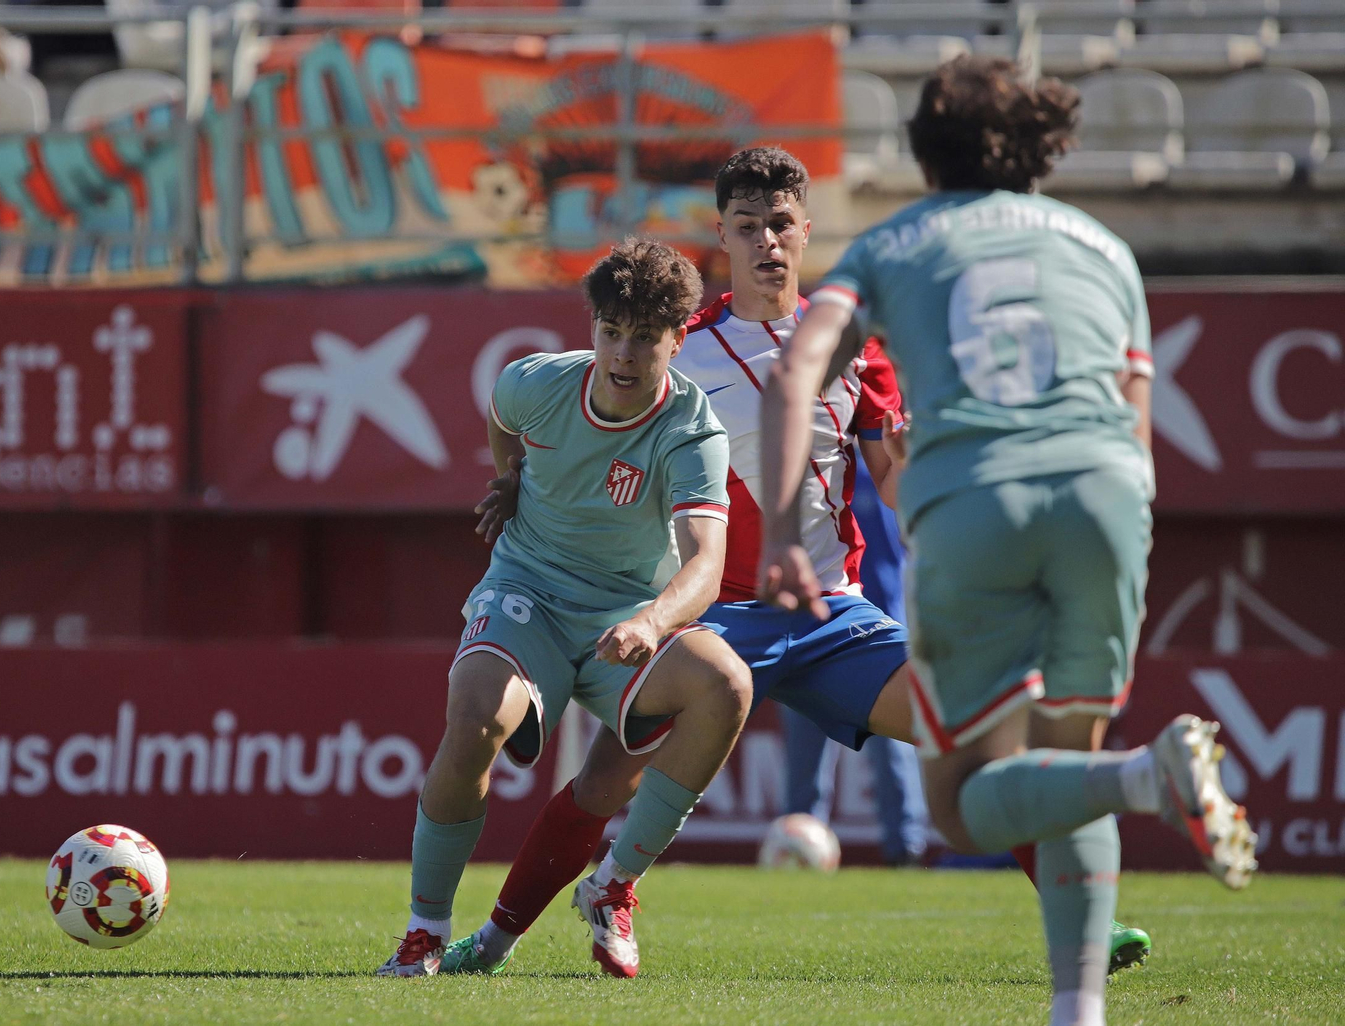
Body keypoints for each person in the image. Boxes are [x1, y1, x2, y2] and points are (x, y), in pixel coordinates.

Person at [440, 145, 1153, 980]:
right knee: (606, 781)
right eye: (748, 226)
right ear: (723, 237)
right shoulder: (681, 351)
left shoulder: (856, 347)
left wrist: (930, 476)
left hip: (832, 615)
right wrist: (520, 484)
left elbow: (892, 486)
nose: (767, 241)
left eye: (781, 224)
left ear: (806, 230)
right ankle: (493, 942)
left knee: (976, 736)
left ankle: (1084, 929)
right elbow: (589, 438)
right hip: (713, 618)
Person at [757, 57, 1255, 1026]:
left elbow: (794, 375)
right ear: (1038, 144)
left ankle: (1148, 776)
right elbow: (1134, 419)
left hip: (974, 505)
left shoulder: (892, 243)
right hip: (1108, 502)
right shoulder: (1105, 248)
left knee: (963, 801)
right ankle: (1080, 1010)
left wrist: (783, 528)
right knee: (1062, 766)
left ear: (922, 149)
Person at [377, 238, 754, 977]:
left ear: (678, 338)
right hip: (530, 594)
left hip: (628, 620)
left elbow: (707, 566)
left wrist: (651, 620)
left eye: (645, 337)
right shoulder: (533, 384)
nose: (623, 352)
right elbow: (502, 422)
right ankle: (424, 932)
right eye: (611, 331)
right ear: (592, 328)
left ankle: (614, 884)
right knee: (476, 714)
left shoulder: (693, 431)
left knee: (728, 686)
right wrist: (514, 476)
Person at [781, 457, 928, 868]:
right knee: (804, 740)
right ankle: (797, 844)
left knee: (892, 746)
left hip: (880, 618)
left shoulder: (882, 464)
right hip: (815, 620)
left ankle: (905, 848)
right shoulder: (814, 462)